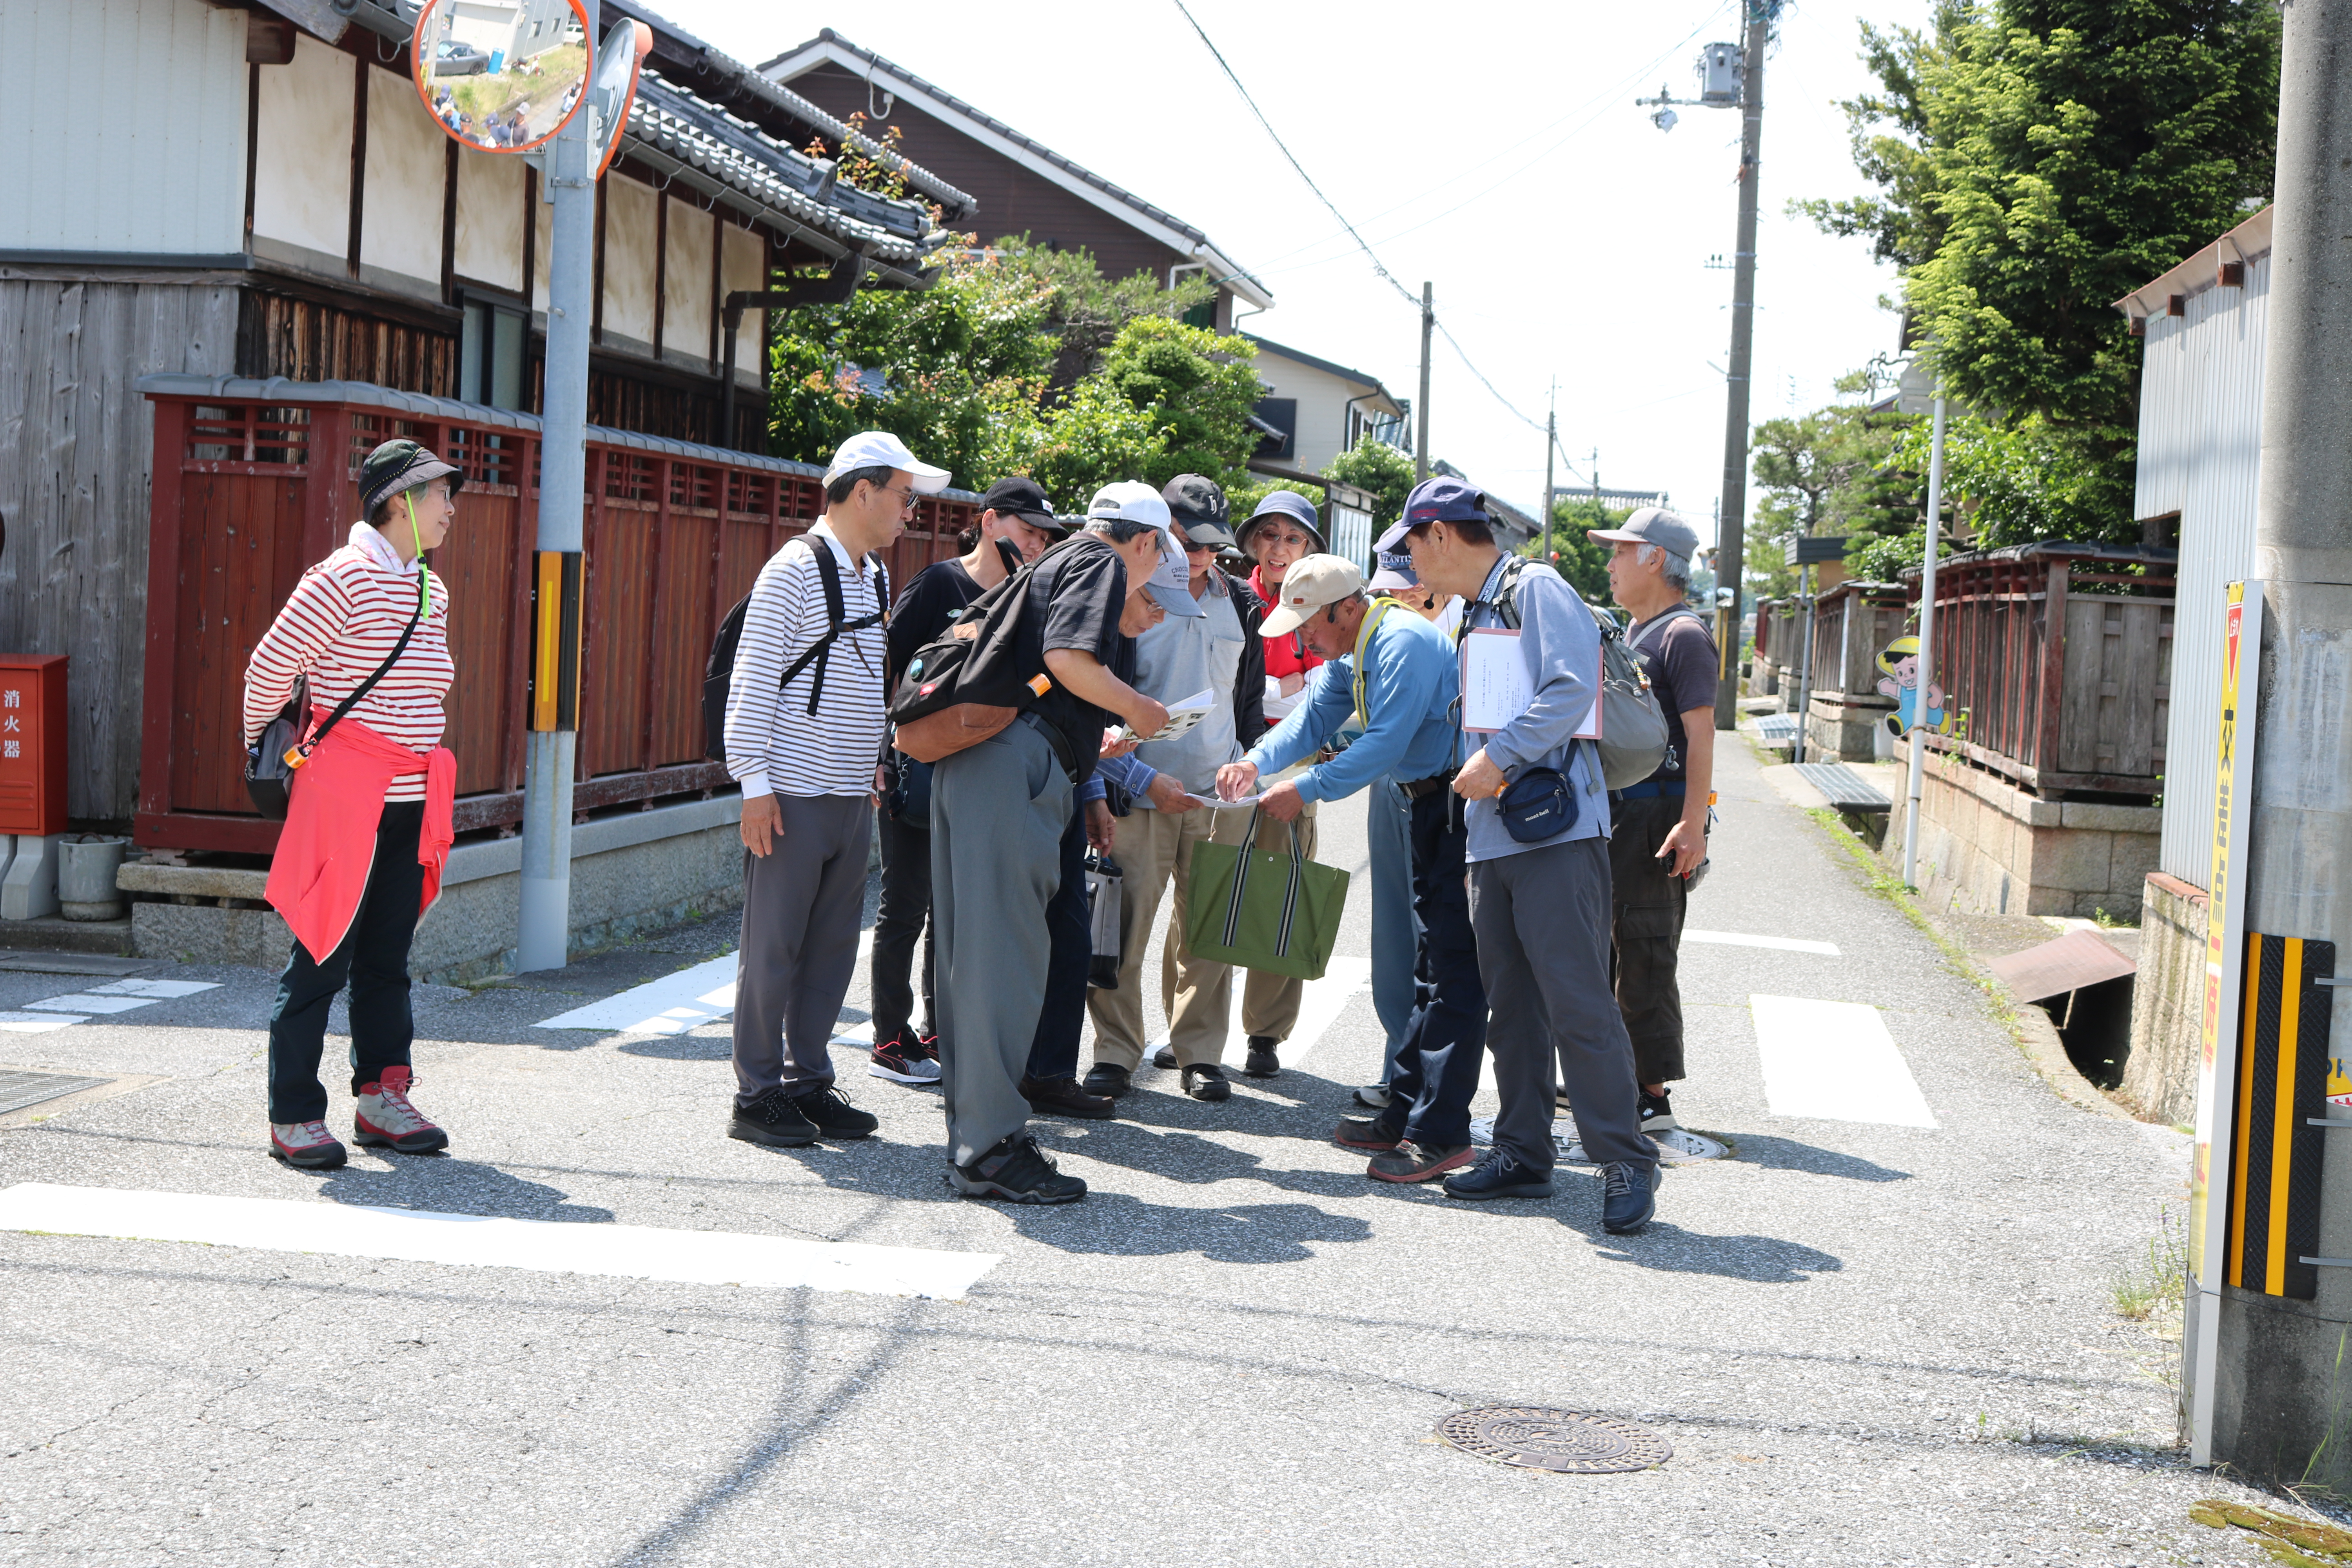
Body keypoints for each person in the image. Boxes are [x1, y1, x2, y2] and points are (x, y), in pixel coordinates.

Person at [1393, 477, 1661, 1233]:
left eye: (1412, 545)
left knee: (1577, 1000)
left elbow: (1571, 689)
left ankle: (1626, 1160)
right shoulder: (1478, 605)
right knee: (1512, 1005)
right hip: (1496, 836)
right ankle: (1521, 1151)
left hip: (1555, 832)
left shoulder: (1535, 585)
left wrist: (1500, 760)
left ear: (1440, 535)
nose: (1411, 563)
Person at [931, 485, 1180, 1202]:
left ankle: (976, 1133)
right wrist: (1141, 708)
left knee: (973, 956)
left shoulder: (1055, 559)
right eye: (1159, 556)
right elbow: (1069, 659)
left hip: (981, 760)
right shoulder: (1100, 563)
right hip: (1014, 768)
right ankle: (990, 1148)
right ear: (1144, 542)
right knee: (1004, 957)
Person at [1213, 555, 1475, 1184]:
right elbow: (1312, 720)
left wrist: (1306, 789)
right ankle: (1407, 1114)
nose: (1303, 637)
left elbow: (1384, 741)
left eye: (1308, 624)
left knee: (1452, 976)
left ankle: (1440, 1135)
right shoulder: (1357, 645)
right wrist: (1256, 761)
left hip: (1453, 809)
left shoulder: (1404, 642)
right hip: (1425, 805)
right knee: (1425, 969)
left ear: (1345, 608)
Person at [243, 439, 463, 1170]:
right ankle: (296, 1113)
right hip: (346, 798)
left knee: (386, 960)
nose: (450, 509)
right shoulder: (342, 576)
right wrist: (263, 751)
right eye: (439, 495)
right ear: (398, 499)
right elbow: (269, 668)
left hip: (408, 798)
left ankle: (380, 1096)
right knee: (321, 952)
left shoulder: (426, 584)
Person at [722, 430, 938, 1151]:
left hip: (849, 791)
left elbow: (866, 682)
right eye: (904, 495)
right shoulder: (794, 569)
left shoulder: (873, 573)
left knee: (832, 949)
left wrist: (875, 758)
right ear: (864, 490)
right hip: (788, 791)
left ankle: (808, 1081)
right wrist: (755, 785)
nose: (910, 510)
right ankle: (757, 1094)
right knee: (774, 948)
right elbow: (752, 685)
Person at [869, 476, 1065, 1087]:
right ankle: (889, 1037)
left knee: (952, 911)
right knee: (904, 903)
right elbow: (890, 666)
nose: (1035, 544)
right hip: (914, 764)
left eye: (1042, 536)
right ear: (989, 522)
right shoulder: (939, 583)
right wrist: (880, 753)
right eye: (1026, 530)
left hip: (978, 774)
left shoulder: (1025, 595)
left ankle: (938, 1029)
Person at [1085, 475, 1268, 1104]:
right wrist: (1124, 779)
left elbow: (1247, 698)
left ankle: (1200, 1054)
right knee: (1123, 928)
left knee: (1210, 936)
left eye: (1213, 546)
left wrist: (1251, 766)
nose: (1200, 557)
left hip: (1219, 794)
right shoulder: (1128, 598)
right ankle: (1114, 1052)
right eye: (1189, 542)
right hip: (1139, 790)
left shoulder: (1241, 601)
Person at [1588, 506, 1719, 1134]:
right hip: (1622, 812)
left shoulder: (1683, 635)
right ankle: (1617, 1074)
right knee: (1612, 945)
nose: (1611, 563)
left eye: (1621, 550)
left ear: (1655, 558)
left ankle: (1651, 1092)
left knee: (1645, 946)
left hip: (1658, 816)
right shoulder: (1639, 632)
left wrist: (1693, 822)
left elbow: (1701, 734)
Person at [1354, 545, 1458, 1111]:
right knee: (1392, 930)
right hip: (1389, 787)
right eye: (1387, 587)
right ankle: (1399, 1063)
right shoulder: (1382, 632)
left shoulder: (1476, 627)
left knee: (1438, 942)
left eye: (1408, 585)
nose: (1396, 596)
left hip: (1446, 798)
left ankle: (1431, 1080)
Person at [1229, 490, 1329, 1079]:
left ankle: (1265, 1033)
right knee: (1206, 887)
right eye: (1270, 535)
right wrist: (1280, 693)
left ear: (1310, 549)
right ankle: (1195, 1028)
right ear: (1251, 543)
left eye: (1293, 538)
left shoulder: (1323, 606)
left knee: (1280, 893)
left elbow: (1321, 697)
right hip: (1226, 756)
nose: (1280, 548)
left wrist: (1277, 695)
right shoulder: (1228, 595)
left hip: (1290, 769)